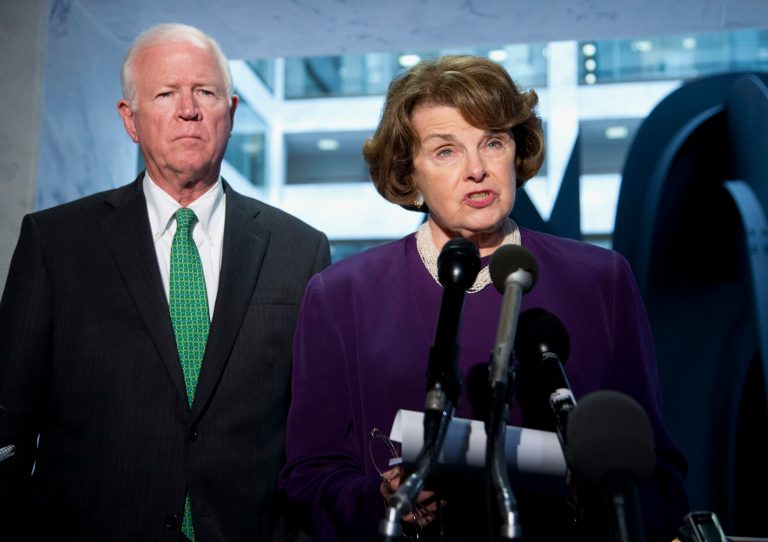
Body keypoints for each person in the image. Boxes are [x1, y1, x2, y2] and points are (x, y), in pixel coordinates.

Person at [279, 55, 689, 541]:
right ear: (409, 171)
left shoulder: (602, 280)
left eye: (492, 142)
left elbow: (660, 474)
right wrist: (383, 500)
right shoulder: (342, 293)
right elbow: (308, 479)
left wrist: (605, 495)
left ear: (516, 152)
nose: (476, 169)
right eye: (446, 151)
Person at [0, 23, 330, 541]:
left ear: (232, 112)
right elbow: (8, 418)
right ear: (130, 120)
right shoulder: (55, 242)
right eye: (165, 94)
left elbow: (318, 428)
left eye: (204, 92)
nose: (189, 110)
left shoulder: (301, 249)